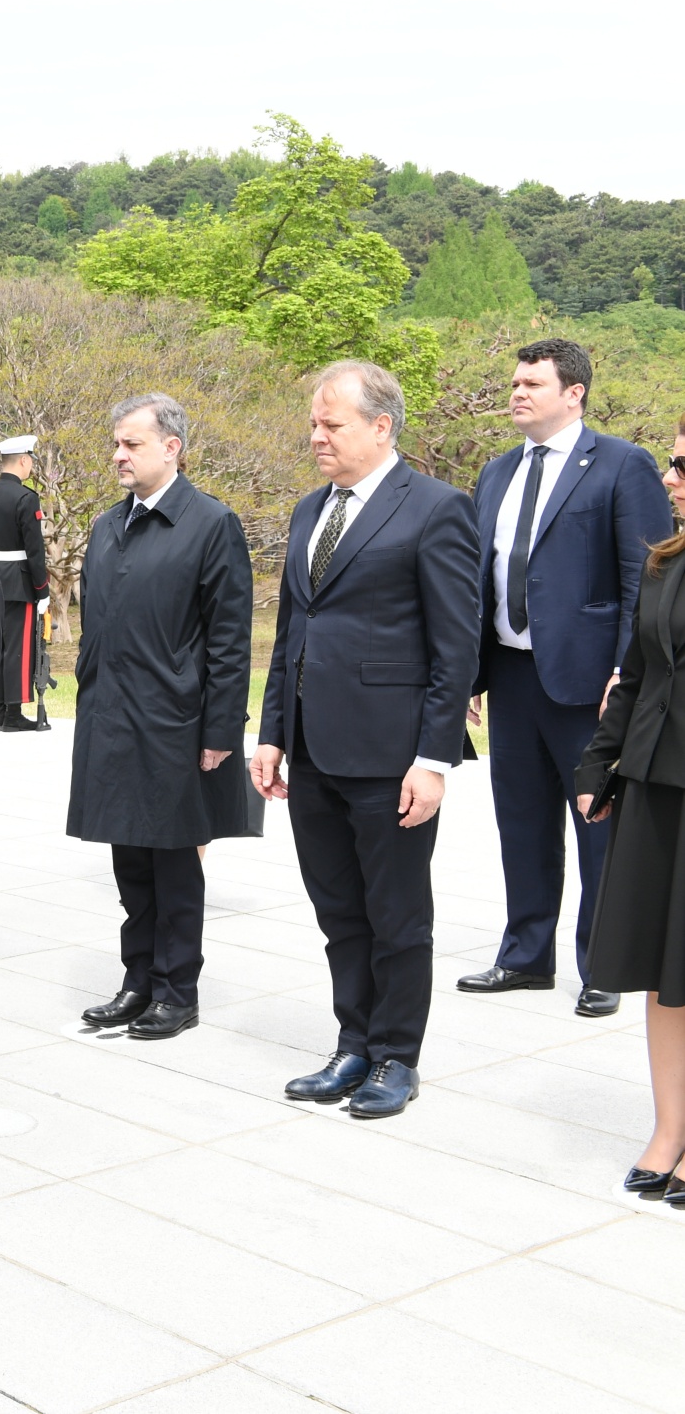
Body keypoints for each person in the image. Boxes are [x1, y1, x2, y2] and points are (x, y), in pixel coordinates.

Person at [251, 360, 480, 1119]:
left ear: (380, 426)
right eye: (313, 423)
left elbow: (456, 648)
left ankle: (395, 1055)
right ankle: (351, 1041)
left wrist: (432, 758)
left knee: (396, 912)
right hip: (312, 749)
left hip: (391, 755)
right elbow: (292, 629)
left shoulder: (436, 508)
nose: (315, 436)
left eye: (331, 424)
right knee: (337, 909)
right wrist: (272, 732)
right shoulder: (308, 509)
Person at [459, 339, 671, 1019]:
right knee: (519, 822)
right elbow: (476, 583)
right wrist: (467, 671)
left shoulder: (620, 464)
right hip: (511, 675)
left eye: (531, 383)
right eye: (513, 381)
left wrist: (622, 671)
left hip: (589, 682)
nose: (516, 392)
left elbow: (645, 577)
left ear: (573, 392)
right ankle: (523, 955)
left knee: (597, 823)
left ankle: (600, 965)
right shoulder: (494, 474)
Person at [68, 394, 258, 1040]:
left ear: (171, 446)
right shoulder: (104, 525)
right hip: (111, 717)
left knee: (175, 864)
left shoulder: (210, 523)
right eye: (115, 444)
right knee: (129, 864)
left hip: (175, 722)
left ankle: (177, 990)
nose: (119, 455)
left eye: (132, 444)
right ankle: (137, 979)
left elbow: (230, 638)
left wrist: (219, 732)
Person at [573, 419, 685, 1204]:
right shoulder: (662, 564)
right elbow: (636, 675)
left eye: (681, 464)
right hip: (654, 783)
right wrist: (596, 766)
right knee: (658, 969)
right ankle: (669, 1128)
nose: (669, 477)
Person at [0, 434, 50, 732]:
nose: (31, 464)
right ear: (23, 460)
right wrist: (42, 589)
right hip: (20, 584)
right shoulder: (26, 498)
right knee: (18, 649)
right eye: (30, 459)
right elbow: (34, 551)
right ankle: (13, 714)